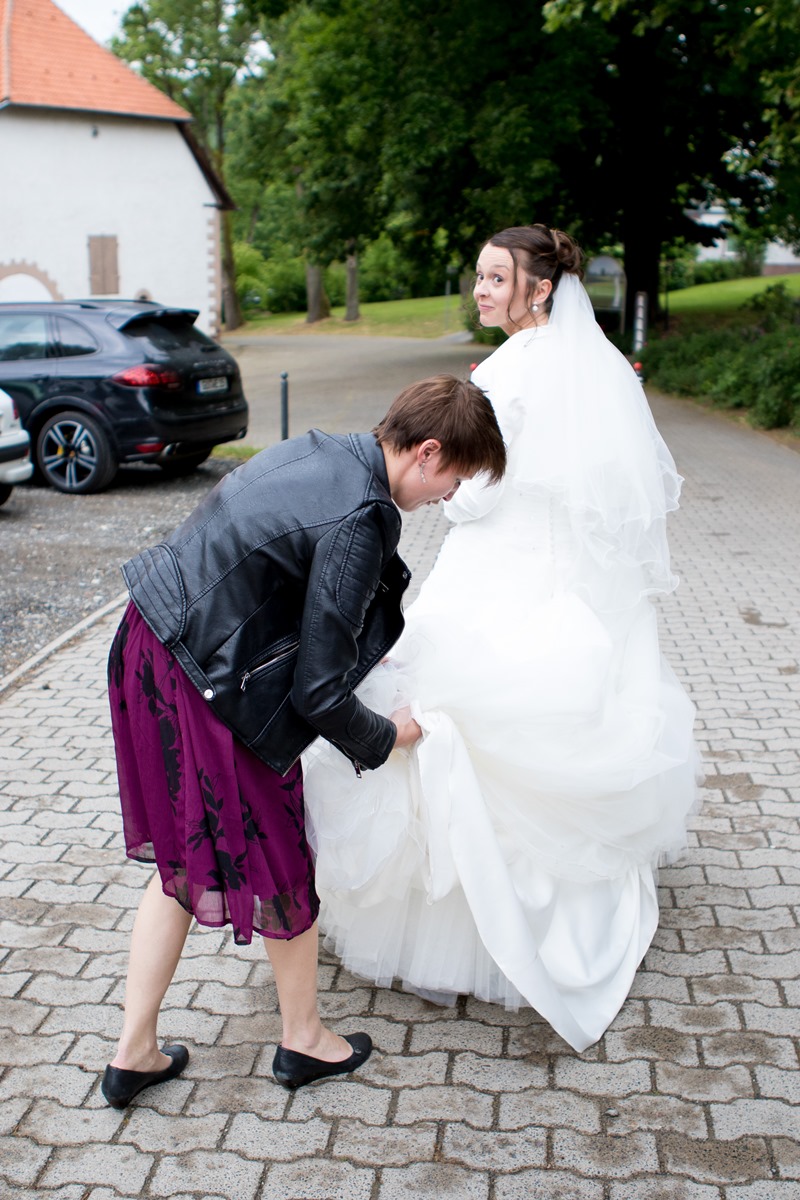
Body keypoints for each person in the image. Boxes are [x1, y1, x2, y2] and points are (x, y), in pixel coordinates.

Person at [303, 224, 700, 1053]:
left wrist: (450, 499)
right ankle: (567, 895)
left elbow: (479, 494)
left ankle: (469, 930)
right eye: (478, 276)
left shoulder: (508, 370)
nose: (481, 290)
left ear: (539, 287)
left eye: (496, 278)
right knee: (554, 715)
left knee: (448, 710)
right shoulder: (585, 364)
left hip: (495, 569)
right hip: (561, 579)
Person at [100, 374, 507, 1107]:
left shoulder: (326, 452)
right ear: (427, 451)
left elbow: (282, 577)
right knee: (283, 852)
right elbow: (316, 694)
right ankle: (304, 1039)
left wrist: (355, 642)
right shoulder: (364, 515)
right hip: (205, 681)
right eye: (454, 478)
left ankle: (135, 1051)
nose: (451, 497)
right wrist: (391, 737)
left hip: (150, 641)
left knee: (184, 858)